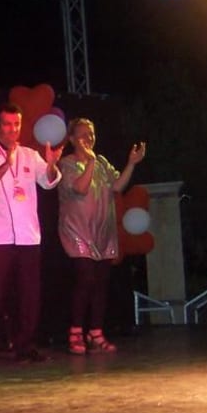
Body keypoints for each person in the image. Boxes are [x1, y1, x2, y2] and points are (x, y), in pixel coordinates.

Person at [0, 102, 63, 363]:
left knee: (29, 293)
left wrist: (51, 165)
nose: (13, 130)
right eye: (8, 124)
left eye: (17, 124)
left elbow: (48, 182)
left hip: (28, 235)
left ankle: (26, 344)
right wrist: (6, 163)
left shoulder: (30, 155)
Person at [57, 118, 146, 354]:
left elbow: (117, 186)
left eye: (91, 134)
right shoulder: (67, 164)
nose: (88, 138)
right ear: (72, 139)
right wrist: (90, 162)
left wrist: (131, 164)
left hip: (102, 231)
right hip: (77, 230)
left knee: (101, 283)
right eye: (83, 135)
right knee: (85, 279)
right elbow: (80, 188)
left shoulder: (102, 162)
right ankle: (75, 332)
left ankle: (95, 332)